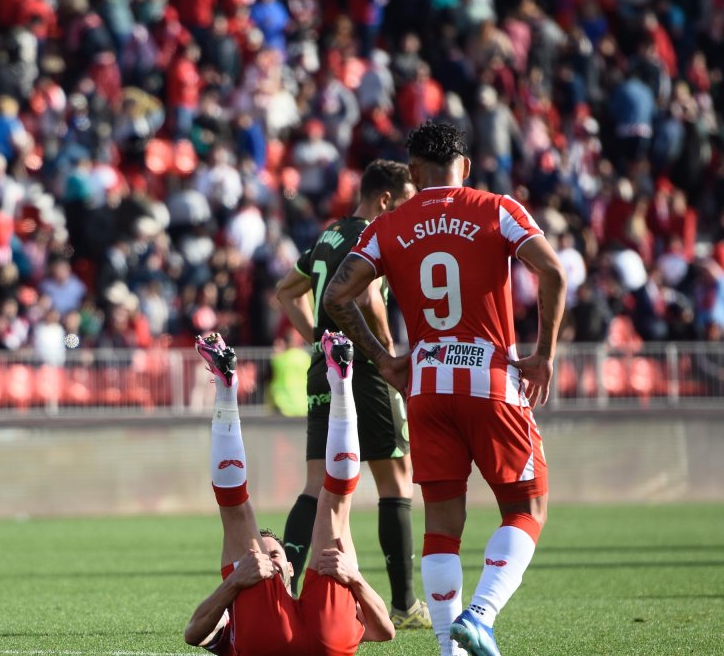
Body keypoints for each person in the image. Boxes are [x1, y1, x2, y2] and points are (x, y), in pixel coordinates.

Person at [321, 121, 567, 656]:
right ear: (467, 167)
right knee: (528, 507)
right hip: (490, 380)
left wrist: (385, 360)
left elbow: (337, 296)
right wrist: (544, 356)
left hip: (426, 386)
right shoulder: (496, 207)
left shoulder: (389, 225)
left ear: (413, 172)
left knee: (442, 524)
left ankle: (448, 649)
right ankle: (479, 615)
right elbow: (552, 273)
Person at [275, 159, 430, 629]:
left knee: (315, 483)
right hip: (364, 369)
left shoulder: (329, 236)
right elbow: (365, 299)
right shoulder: (373, 235)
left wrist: (314, 339)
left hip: (324, 367)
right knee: (397, 477)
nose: (408, 211)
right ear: (385, 199)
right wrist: (388, 358)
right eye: (405, 201)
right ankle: (404, 606)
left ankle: (284, 592)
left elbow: (287, 290)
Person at [183, 332, 394, 656]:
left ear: (291, 566)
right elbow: (385, 632)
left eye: (273, 555)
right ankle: (341, 383)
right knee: (334, 503)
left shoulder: (250, 592)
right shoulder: (234, 608)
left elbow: (384, 632)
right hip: (319, 639)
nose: (267, 560)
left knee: (238, 510)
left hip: (270, 639)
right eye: (266, 555)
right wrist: (354, 579)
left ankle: (227, 389)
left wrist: (239, 578)